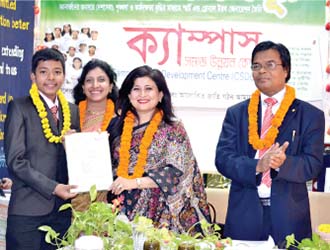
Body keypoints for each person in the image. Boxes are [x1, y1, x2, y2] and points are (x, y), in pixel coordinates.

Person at [215, 41, 325, 248]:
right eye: (256, 66)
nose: (262, 71)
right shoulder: (236, 114)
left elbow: (312, 165)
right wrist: (257, 165)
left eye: (270, 64)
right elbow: (223, 159)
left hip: (289, 216)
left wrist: (282, 162)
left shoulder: (310, 116)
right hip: (244, 215)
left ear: (286, 70)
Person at [109, 65, 210, 233]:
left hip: (163, 213)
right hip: (122, 209)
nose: (142, 95)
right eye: (136, 89)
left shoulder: (173, 129)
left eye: (149, 89)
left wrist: (134, 183)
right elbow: (105, 164)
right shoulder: (116, 127)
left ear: (160, 95)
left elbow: (176, 173)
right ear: (129, 94)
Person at [4, 48, 80, 249]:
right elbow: (15, 161)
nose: (51, 78)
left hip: (61, 212)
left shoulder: (72, 110)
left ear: (64, 76)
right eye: (43, 72)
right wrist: (54, 188)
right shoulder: (19, 107)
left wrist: (83, 146)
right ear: (33, 76)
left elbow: (77, 160)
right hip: (27, 212)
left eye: (57, 71)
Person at [72, 59, 118, 211]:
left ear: (111, 86)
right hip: (72, 196)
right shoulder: (70, 116)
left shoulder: (121, 121)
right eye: (89, 81)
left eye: (101, 80)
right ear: (83, 87)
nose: (95, 85)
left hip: (106, 198)